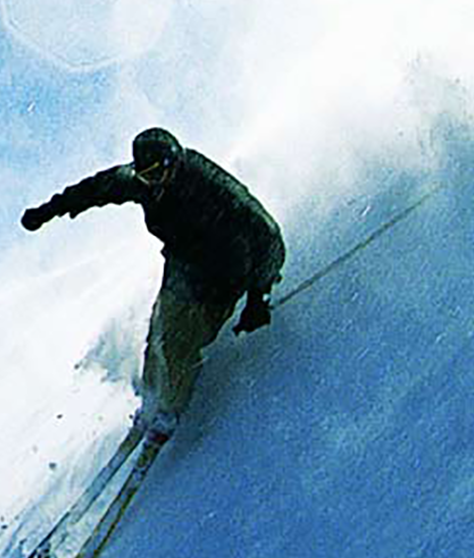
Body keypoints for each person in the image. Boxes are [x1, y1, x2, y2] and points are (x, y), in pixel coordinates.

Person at [20, 127, 284, 445]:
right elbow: (93, 189)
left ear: (173, 162)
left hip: (224, 273)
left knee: (178, 343)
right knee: (157, 335)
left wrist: (258, 296)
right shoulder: (140, 183)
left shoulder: (207, 183)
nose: (153, 181)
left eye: (157, 172)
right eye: (146, 175)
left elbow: (268, 234)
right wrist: (47, 211)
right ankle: (152, 402)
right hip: (183, 269)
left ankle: (170, 409)